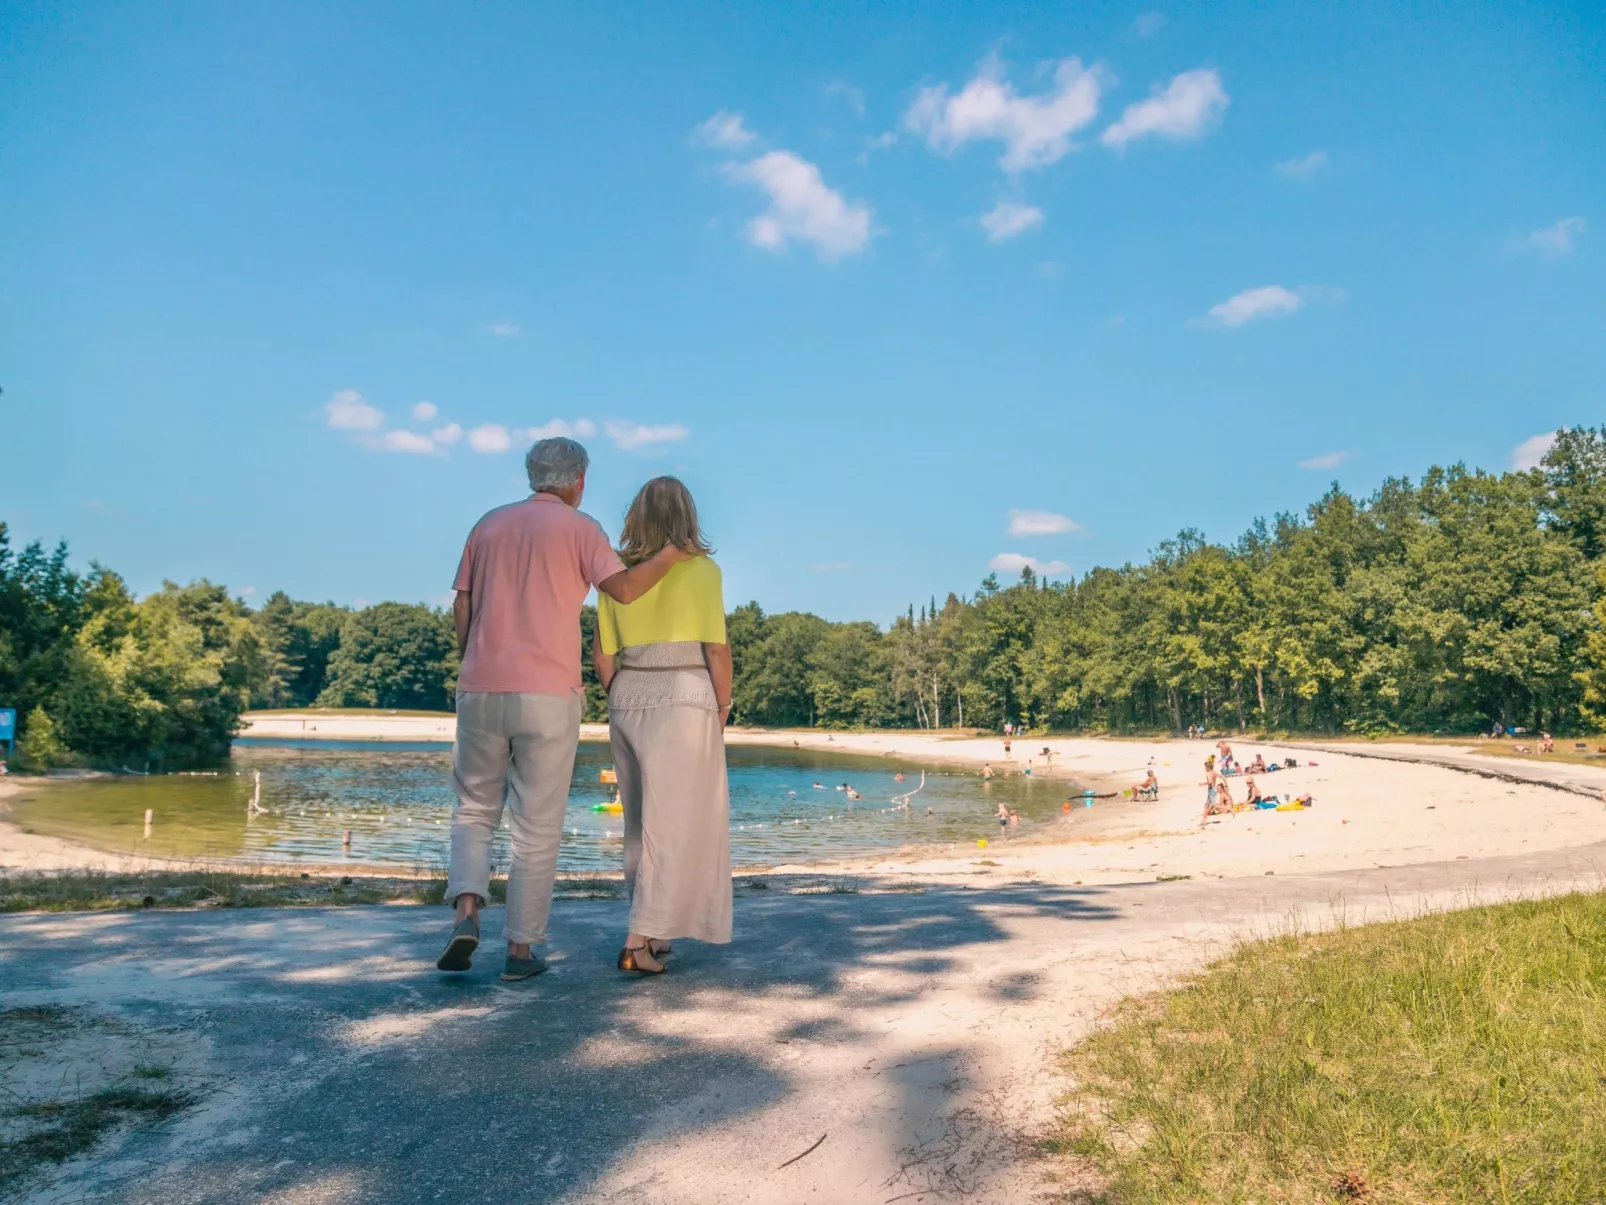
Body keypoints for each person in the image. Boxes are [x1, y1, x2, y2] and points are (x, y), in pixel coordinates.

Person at [438, 438, 689, 980]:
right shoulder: (581, 529)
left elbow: (462, 602)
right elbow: (622, 591)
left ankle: (465, 912)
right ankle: (520, 953)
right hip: (549, 695)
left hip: (481, 687)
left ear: (533, 476)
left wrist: (472, 661)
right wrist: (670, 554)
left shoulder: (488, 525)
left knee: (474, 809)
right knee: (537, 825)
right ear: (578, 481)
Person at [594, 476, 733, 975]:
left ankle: (659, 929)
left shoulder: (616, 574)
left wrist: (622, 696)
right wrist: (722, 707)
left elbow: (601, 655)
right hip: (685, 693)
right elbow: (716, 648)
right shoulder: (704, 572)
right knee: (678, 822)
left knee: (640, 822)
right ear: (688, 517)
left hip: (627, 691)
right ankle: (637, 941)